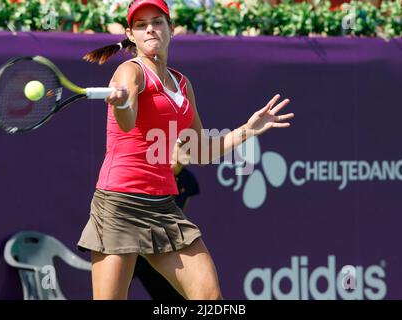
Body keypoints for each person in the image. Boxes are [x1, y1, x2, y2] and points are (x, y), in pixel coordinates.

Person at [77, 0, 294, 300]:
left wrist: (248, 130)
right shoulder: (130, 71)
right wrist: (123, 102)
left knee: (209, 299)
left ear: (171, 29)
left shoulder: (181, 83)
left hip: (164, 207)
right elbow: (126, 123)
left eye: (157, 21)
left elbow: (200, 150)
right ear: (131, 34)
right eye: (141, 25)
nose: (150, 28)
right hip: (119, 205)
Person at [132, 162, 199, 300]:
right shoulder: (151, 172)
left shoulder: (189, 181)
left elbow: (180, 215)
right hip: (131, 247)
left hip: (158, 250)